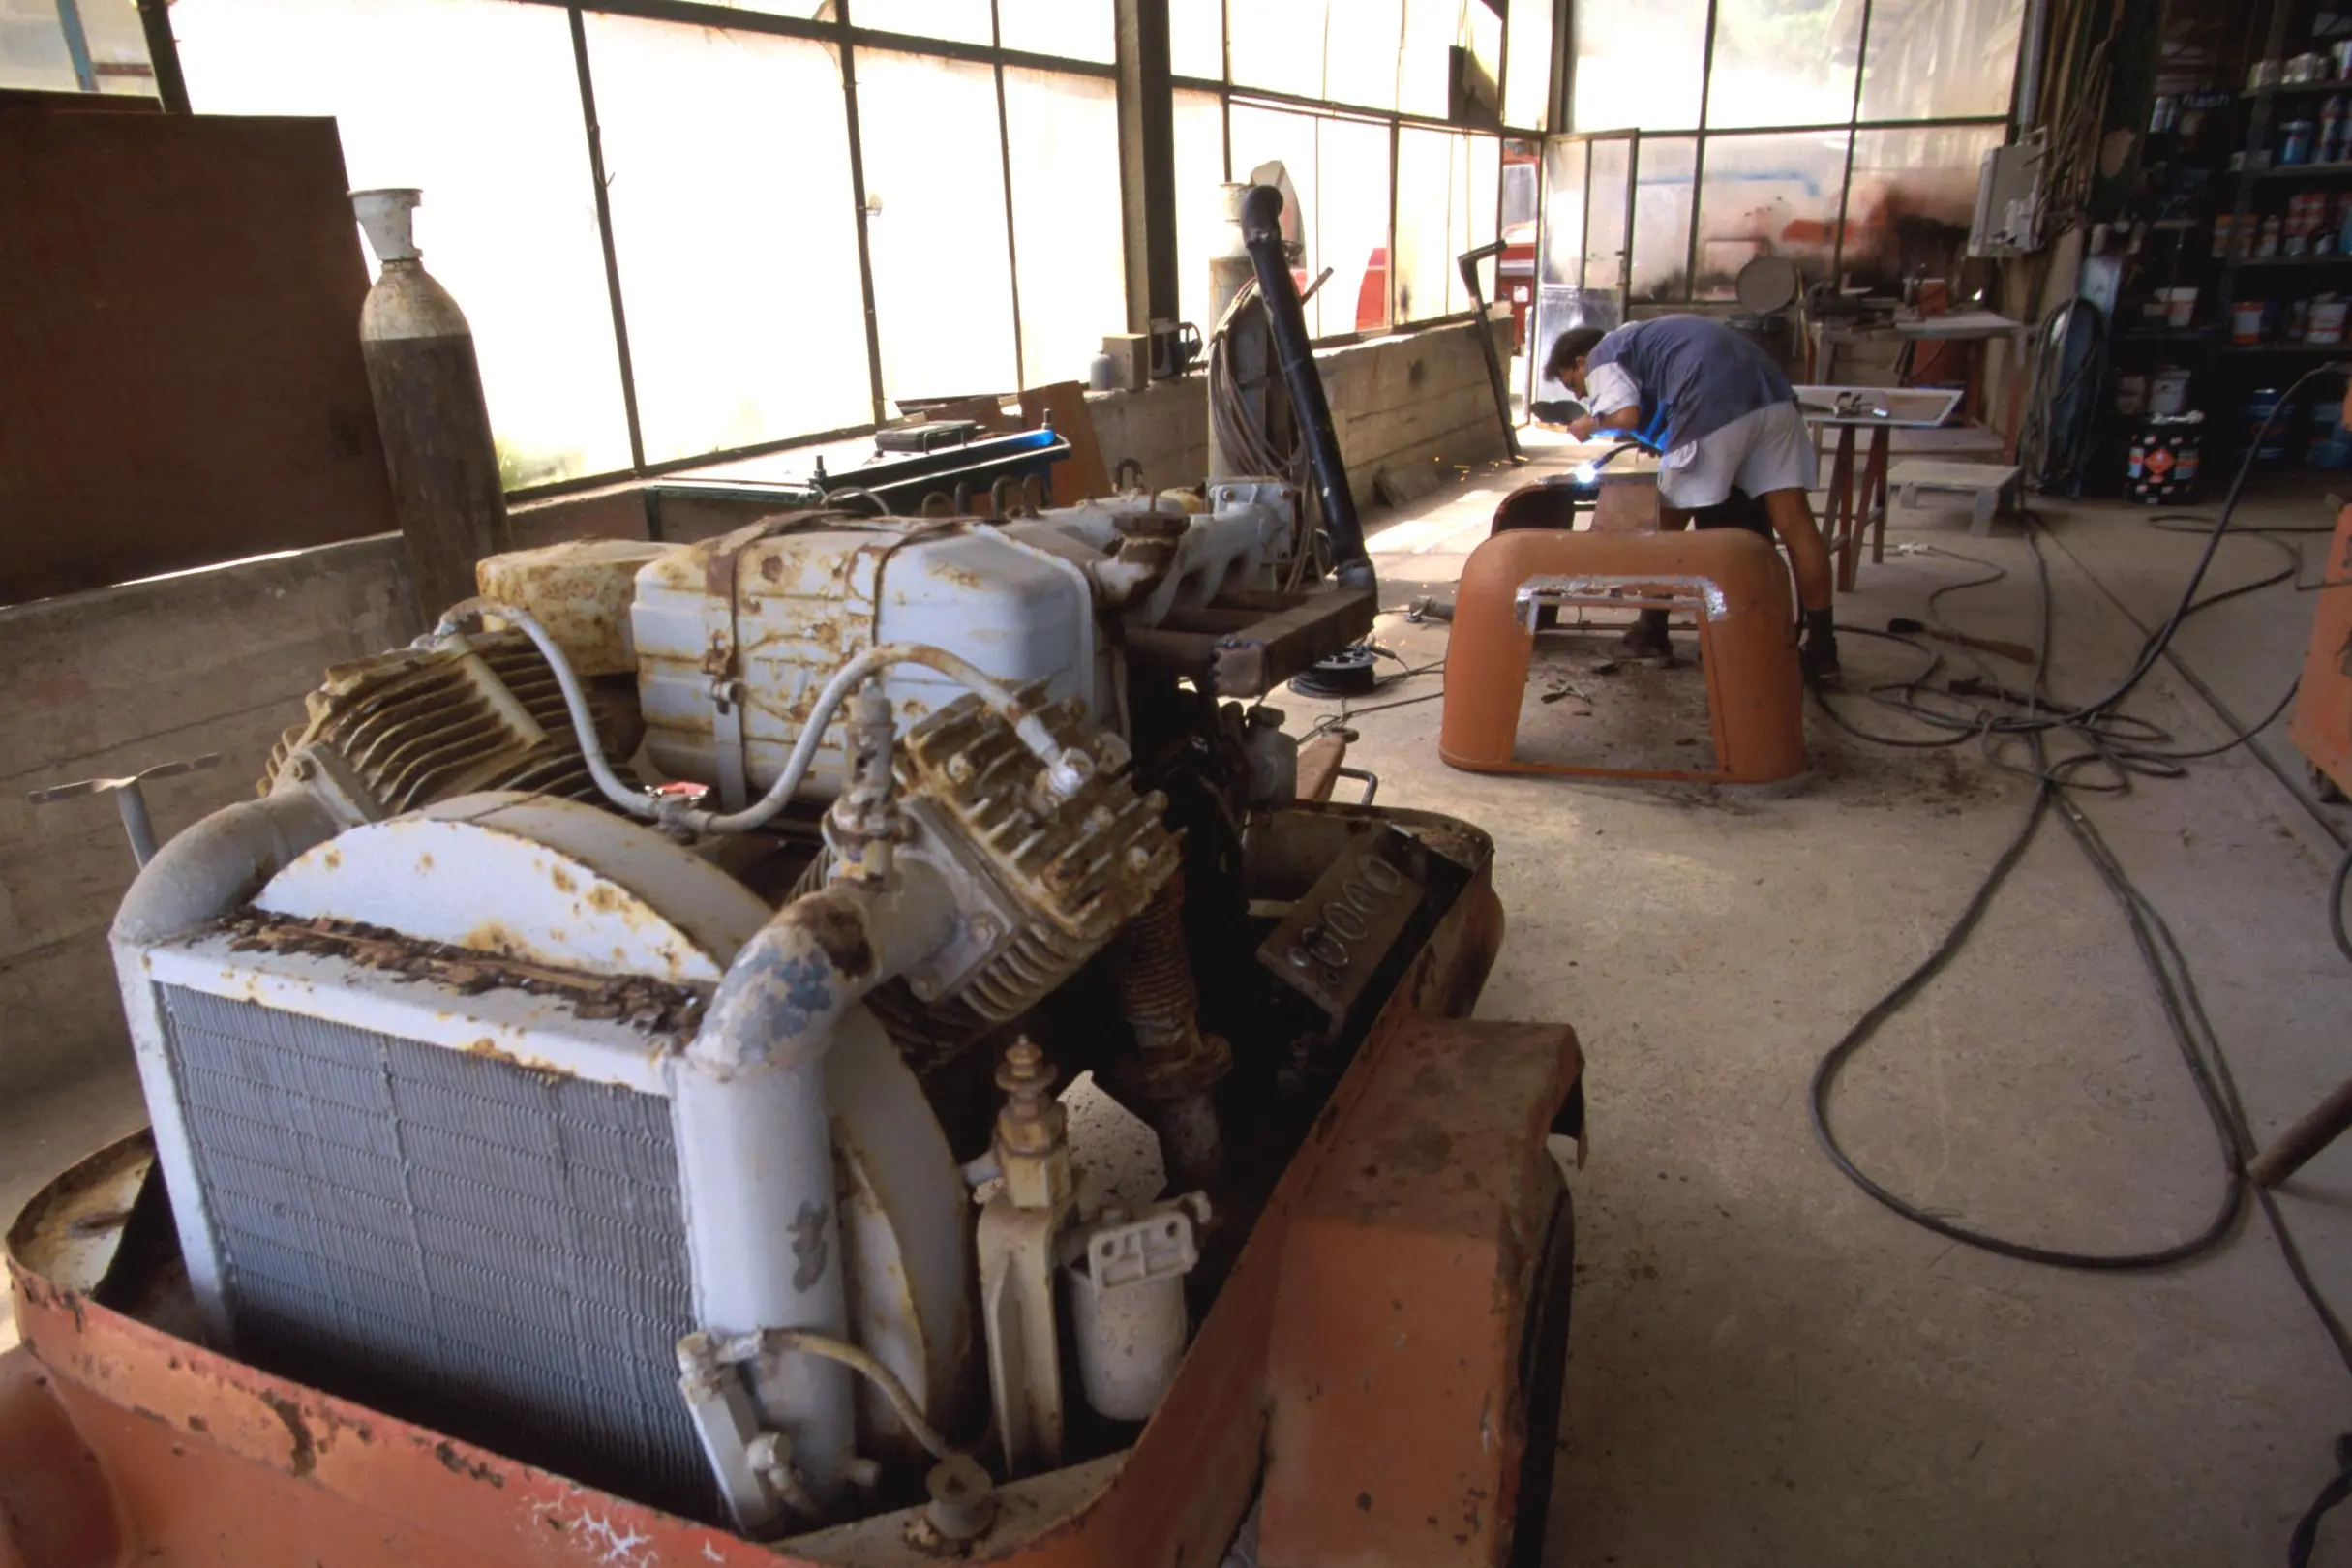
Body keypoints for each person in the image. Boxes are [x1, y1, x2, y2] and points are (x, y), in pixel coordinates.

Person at [1546, 317, 1841, 683]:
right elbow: (1658, 408)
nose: (1581, 396)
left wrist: (1587, 425)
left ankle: (1650, 634)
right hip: (1775, 403)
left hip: (1714, 405)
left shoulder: (1605, 353)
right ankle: (1824, 649)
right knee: (1796, 525)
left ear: (1579, 361)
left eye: (1575, 385)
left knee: (1667, 526)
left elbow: (1625, 415)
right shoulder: (1648, 338)